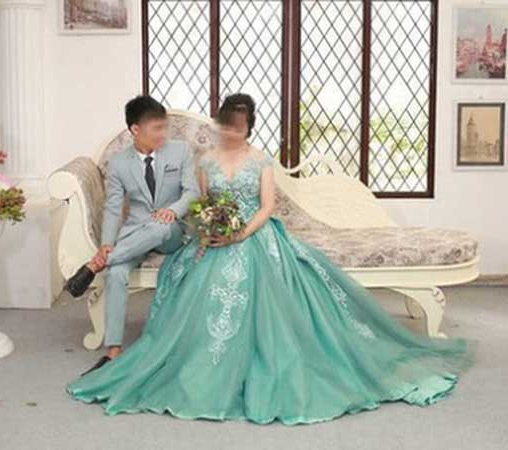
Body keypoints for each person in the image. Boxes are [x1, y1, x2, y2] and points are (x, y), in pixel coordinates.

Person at [65, 93, 478, 426]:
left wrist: (240, 233)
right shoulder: (204, 161)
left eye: (240, 125)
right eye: (228, 124)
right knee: (199, 281)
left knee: (262, 281)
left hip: (255, 234)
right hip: (213, 234)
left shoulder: (260, 160)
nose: (233, 131)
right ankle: (167, 351)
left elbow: (266, 207)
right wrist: (210, 229)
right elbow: (201, 201)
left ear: (249, 127)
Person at [64, 95, 200, 375]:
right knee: (116, 273)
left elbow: (192, 192)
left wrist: (173, 210)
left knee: (161, 227)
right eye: (156, 128)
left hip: (171, 231)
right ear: (135, 129)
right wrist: (106, 244)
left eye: (164, 127)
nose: (163, 134)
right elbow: (113, 208)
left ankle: (94, 266)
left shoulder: (180, 151)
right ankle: (113, 351)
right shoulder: (119, 163)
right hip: (136, 232)